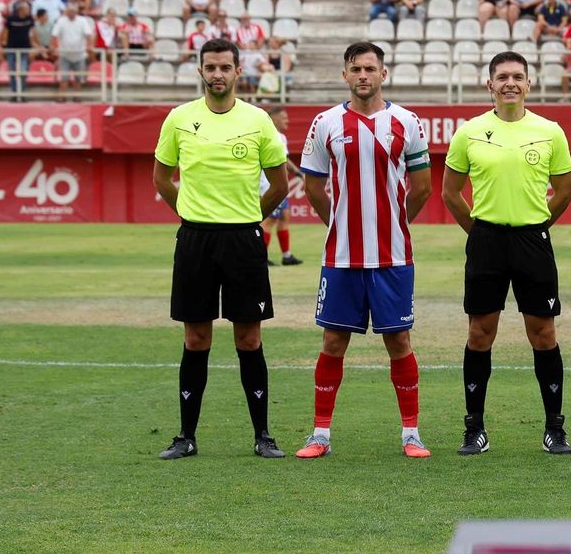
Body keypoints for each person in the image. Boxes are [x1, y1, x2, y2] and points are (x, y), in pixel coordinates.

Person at [152, 38, 291, 461]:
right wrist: (192, 215)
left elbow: (280, 184)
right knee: (196, 338)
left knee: (249, 339)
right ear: (200, 70)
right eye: (210, 67)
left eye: (225, 67)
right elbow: (162, 179)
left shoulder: (258, 120)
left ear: (237, 72)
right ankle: (186, 437)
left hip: (243, 240)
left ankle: (263, 435)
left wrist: (249, 216)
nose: (217, 74)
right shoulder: (179, 119)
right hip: (195, 239)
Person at [297, 42, 433, 460]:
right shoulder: (325, 123)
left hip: (393, 257)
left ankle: (411, 434)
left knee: (400, 341)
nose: (362, 75)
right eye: (355, 69)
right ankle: (320, 434)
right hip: (341, 258)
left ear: (383, 74)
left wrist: (393, 222)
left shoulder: (406, 121)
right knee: (333, 340)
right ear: (344, 75)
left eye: (370, 68)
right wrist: (339, 223)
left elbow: (423, 186)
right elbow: (314, 188)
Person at [441, 52, 571, 455]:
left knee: (544, 334)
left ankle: (555, 427)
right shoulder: (469, 132)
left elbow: (565, 191)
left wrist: (535, 227)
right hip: (487, 243)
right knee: (480, 334)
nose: (510, 83)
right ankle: (474, 428)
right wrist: (480, 232)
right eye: (502, 77)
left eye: (518, 76)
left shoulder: (550, 131)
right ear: (490, 85)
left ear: (529, 84)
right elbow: (450, 192)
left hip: (532, 241)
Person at [255, 105, 303, 268]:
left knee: (284, 217)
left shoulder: (281, 137)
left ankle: (286, 255)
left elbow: (284, 160)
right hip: (269, 184)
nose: (287, 120)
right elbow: (283, 162)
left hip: (277, 184)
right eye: (284, 118)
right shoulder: (271, 135)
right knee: (268, 221)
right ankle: (260, 256)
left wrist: (297, 173)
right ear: (274, 119)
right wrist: (299, 174)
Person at [0, 0, 34, 100]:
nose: (28, 11)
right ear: (21, 10)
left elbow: (32, 33)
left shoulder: (29, 19)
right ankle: (14, 94)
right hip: (11, 49)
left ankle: (22, 93)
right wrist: (3, 44)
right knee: (13, 72)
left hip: (24, 49)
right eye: (27, 9)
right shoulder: (11, 19)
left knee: (23, 72)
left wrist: (34, 46)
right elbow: (4, 32)